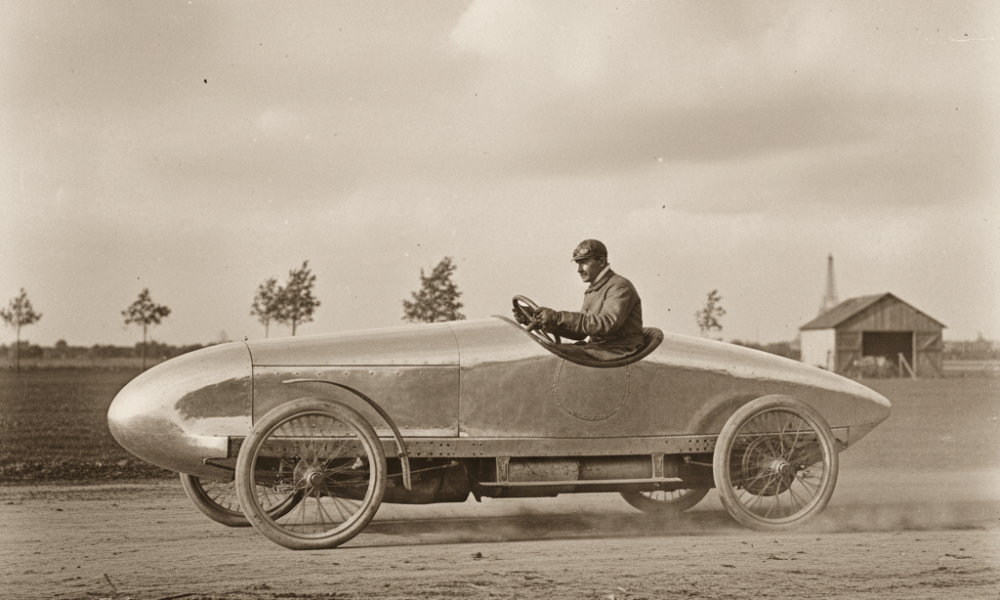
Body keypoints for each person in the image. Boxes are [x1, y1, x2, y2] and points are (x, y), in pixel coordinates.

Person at [522, 239, 644, 361]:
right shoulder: (594, 289)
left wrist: (557, 317)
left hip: (619, 350)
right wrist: (544, 322)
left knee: (552, 358)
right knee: (550, 352)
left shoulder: (619, 286)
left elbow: (606, 324)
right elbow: (580, 333)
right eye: (578, 264)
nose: (579, 269)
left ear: (601, 261)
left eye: (584, 262)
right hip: (602, 348)